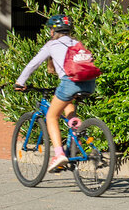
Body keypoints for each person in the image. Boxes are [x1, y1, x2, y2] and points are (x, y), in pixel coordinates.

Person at [14, 13, 93, 173]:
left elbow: (32, 64)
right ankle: (74, 132)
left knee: (51, 116)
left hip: (69, 82)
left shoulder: (51, 44)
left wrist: (20, 82)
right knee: (68, 103)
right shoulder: (77, 42)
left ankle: (58, 155)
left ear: (52, 31)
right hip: (89, 83)